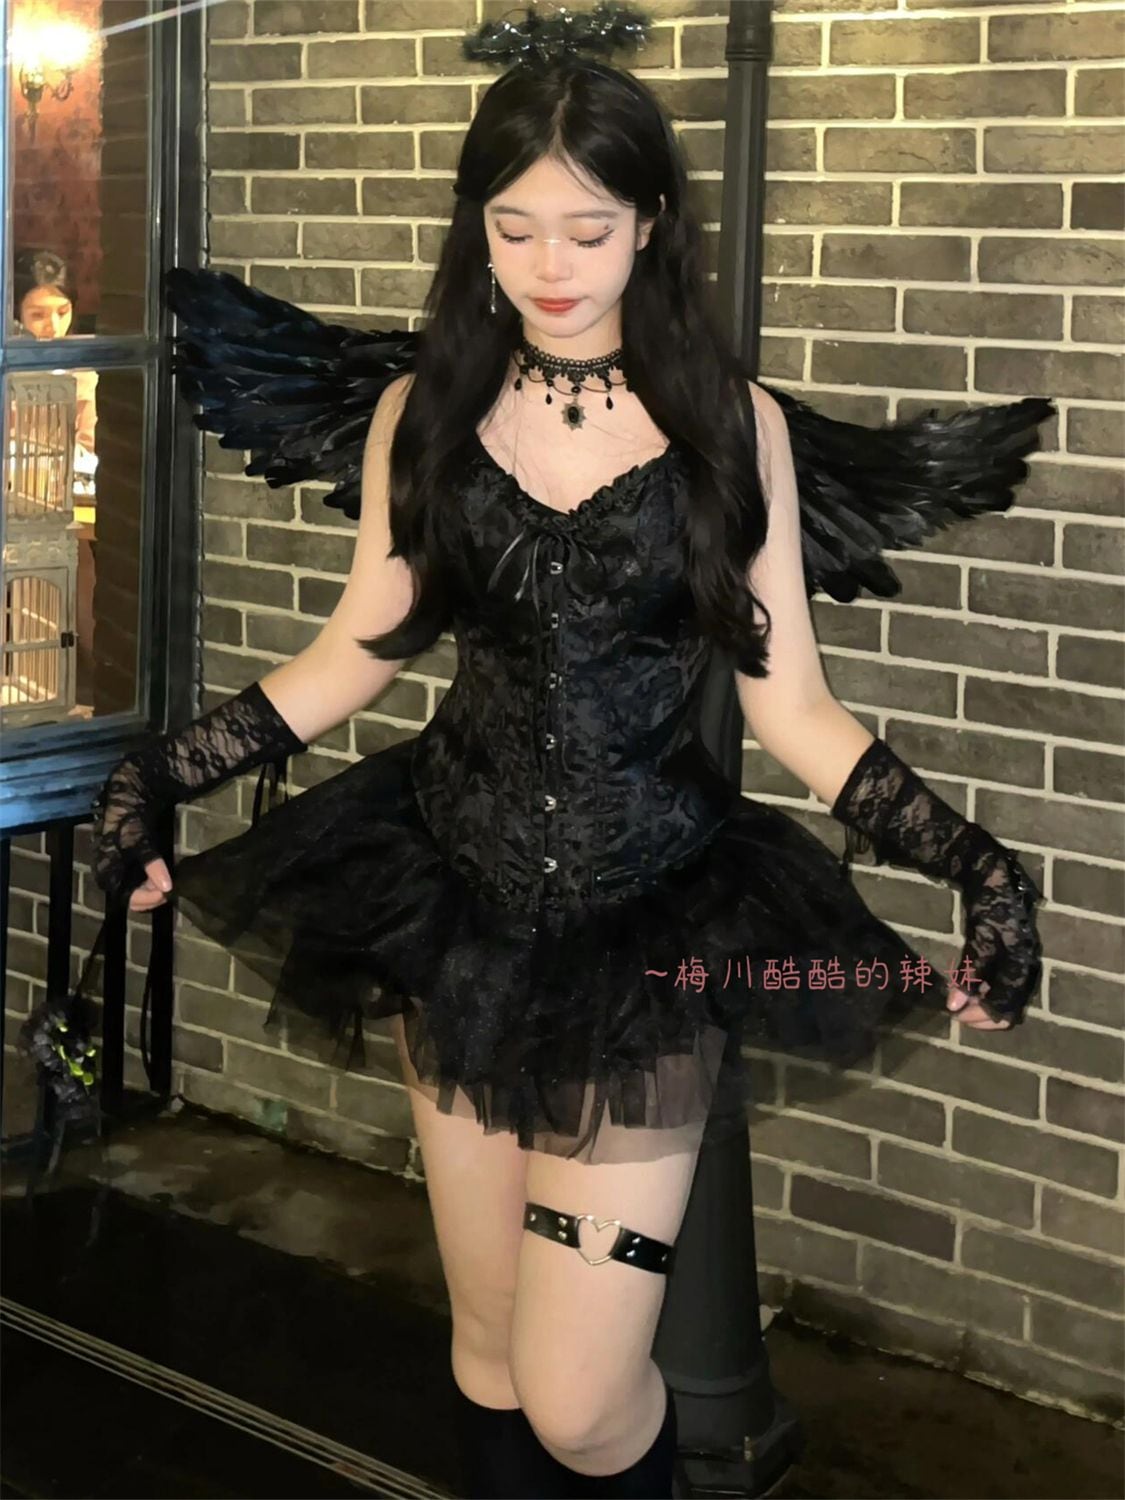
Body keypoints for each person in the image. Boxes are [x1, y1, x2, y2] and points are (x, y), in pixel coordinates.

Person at [90, 6, 1043, 1496]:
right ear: (475, 229)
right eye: (514, 228)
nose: (549, 265)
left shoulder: (730, 426)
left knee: (582, 1399)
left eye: (588, 230)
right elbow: (355, 654)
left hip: (651, 930)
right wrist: (158, 773)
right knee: (487, 1355)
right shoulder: (422, 413)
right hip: (455, 908)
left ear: (651, 226)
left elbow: (792, 706)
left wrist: (974, 865)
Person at [12, 246, 98, 454]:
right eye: (38, 315)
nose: (54, 326)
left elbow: (87, 446)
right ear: (15, 315)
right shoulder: (8, 365)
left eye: (62, 312)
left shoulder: (82, 372)